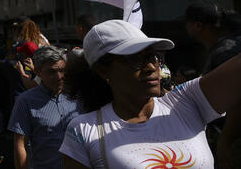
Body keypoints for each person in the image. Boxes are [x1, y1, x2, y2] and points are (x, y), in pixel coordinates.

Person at [59, 19, 241, 168]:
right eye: (134, 59)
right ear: (103, 71)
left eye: (152, 56)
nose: (151, 67)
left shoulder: (187, 102)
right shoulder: (84, 130)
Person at [184, 0, 241, 167]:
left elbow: (237, 102)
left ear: (198, 25)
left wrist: (225, 141)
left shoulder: (225, 53)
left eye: (186, 23)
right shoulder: (229, 46)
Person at [8, 46, 79, 169]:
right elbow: (20, 144)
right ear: (38, 71)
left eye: (62, 70)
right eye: (51, 71)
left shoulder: (78, 96)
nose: (59, 76)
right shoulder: (25, 101)